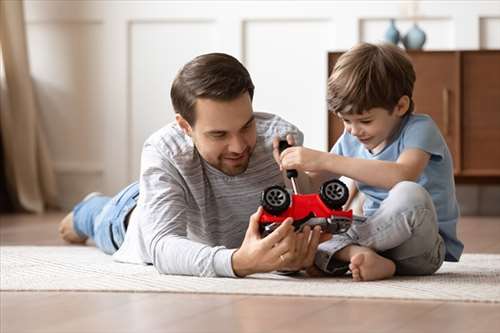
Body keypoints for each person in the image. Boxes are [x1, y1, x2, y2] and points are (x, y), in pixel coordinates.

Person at [59, 53, 329, 278]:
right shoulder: (163, 149)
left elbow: (303, 216)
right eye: (219, 134)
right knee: (99, 219)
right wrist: (238, 262)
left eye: (246, 126)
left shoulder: (281, 141)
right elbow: (162, 246)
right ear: (185, 126)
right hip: (130, 215)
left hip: (188, 205)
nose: (238, 146)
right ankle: (88, 210)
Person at [278, 43, 464, 281]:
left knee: (410, 193)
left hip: (420, 247)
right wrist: (291, 167)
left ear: (400, 106)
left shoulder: (420, 128)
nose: (354, 131)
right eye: (346, 120)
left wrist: (324, 159)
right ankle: (364, 258)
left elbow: (401, 175)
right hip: (375, 237)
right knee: (316, 220)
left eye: (365, 121)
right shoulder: (352, 138)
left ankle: (331, 251)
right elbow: (310, 189)